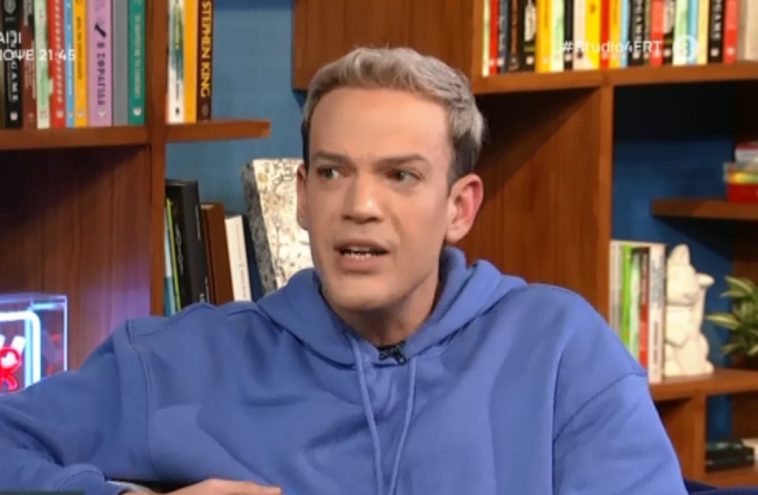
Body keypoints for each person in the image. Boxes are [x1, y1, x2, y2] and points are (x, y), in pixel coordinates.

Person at [0, 46, 688, 495]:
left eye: (400, 176)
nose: (360, 206)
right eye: (333, 172)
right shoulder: (180, 361)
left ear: (459, 207)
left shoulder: (560, 351)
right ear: (302, 196)